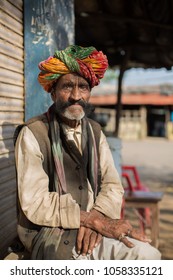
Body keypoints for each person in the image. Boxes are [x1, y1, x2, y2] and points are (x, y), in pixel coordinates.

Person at [14, 45, 161, 260]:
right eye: (67, 87)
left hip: (95, 227)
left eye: (82, 87)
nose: (75, 96)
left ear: (89, 92)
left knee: (147, 256)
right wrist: (86, 219)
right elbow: (34, 200)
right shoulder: (33, 133)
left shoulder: (95, 131)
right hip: (52, 233)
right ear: (53, 92)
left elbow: (112, 184)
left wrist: (97, 217)